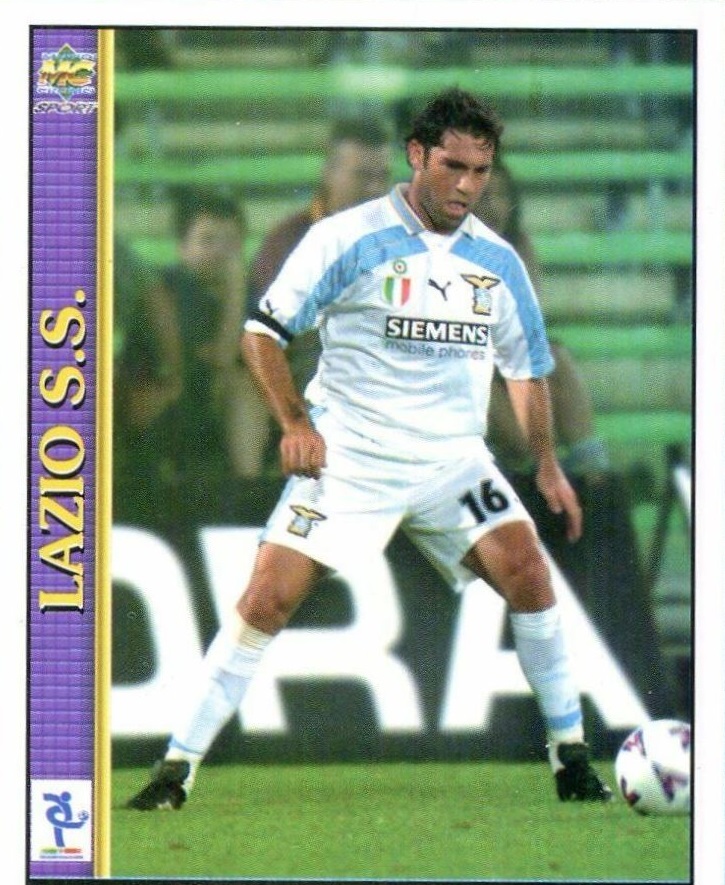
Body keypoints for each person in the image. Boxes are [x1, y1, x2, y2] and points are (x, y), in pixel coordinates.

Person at [128, 87, 612, 811]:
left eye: (480, 171)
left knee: (529, 574)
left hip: (451, 460)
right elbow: (261, 334)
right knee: (267, 598)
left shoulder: (497, 260)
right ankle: (176, 769)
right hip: (351, 456)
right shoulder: (346, 238)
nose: (467, 186)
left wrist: (545, 463)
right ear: (416, 155)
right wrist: (296, 423)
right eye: (453, 166)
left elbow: (525, 368)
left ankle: (570, 758)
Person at [115, 189, 269, 497]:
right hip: (160, 398)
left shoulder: (253, 296)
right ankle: (246, 489)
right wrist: (235, 290)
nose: (220, 252)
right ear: (183, 247)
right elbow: (219, 359)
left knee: (247, 388)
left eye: (230, 242)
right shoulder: (174, 289)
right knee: (240, 387)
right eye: (207, 240)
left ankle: (251, 490)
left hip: (209, 401)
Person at [246, 116, 393, 415]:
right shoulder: (287, 241)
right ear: (329, 173)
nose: (375, 188)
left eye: (383, 176)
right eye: (363, 176)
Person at [476, 158, 610, 480]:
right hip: (464, 363)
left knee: (556, 357)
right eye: (483, 196)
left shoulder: (519, 247)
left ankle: (593, 474)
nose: (493, 207)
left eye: (501, 195)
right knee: (523, 440)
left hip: (505, 359)